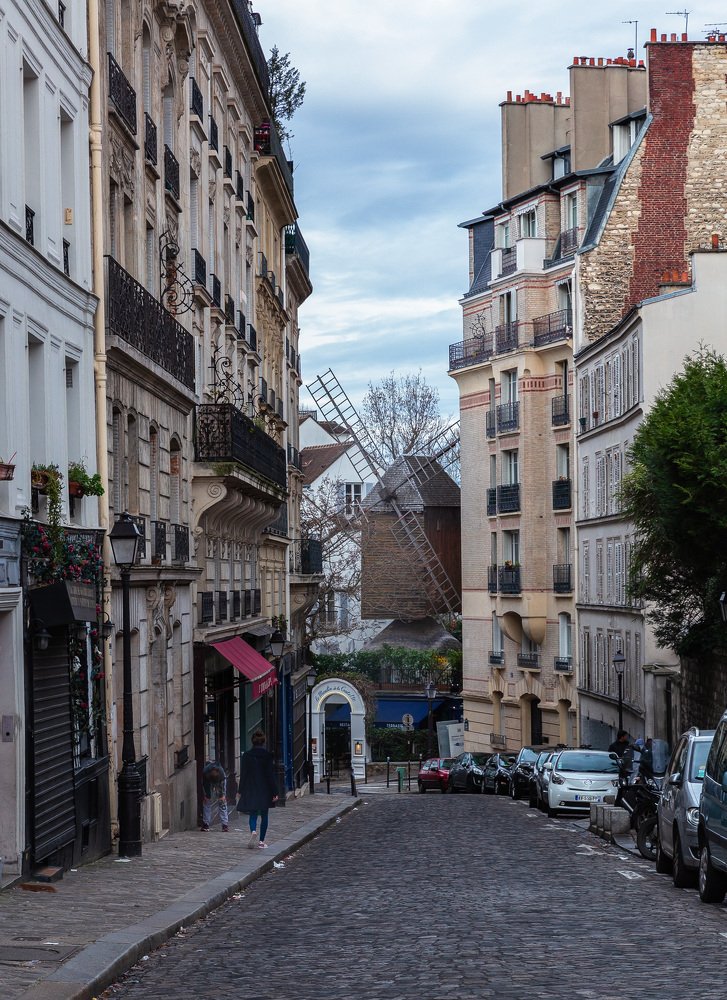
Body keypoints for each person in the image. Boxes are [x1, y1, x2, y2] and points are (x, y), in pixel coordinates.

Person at [238, 730, 278, 849]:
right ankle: (261, 841)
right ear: (263, 742)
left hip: (251, 787)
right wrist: (275, 791)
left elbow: (244, 774)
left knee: (253, 813)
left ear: (253, 742)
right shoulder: (267, 756)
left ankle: (253, 831)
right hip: (265, 789)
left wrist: (240, 790)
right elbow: (270, 775)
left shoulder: (246, 755)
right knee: (264, 815)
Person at [201, 761, 229, 832]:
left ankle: (225, 824)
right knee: (207, 802)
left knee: (222, 802)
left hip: (220, 782)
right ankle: (206, 824)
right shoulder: (205, 772)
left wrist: (222, 795)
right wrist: (207, 795)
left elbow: (222, 785)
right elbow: (205, 785)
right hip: (208, 781)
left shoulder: (221, 773)